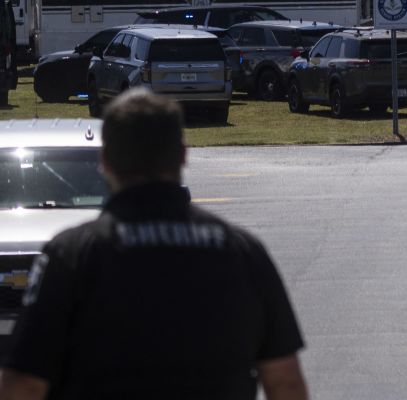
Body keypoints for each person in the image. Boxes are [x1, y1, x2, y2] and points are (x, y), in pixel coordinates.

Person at [0, 89, 308, 400]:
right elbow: (285, 382)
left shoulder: (72, 256)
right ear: (183, 154)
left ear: (105, 161)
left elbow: (24, 384)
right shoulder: (242, 253)